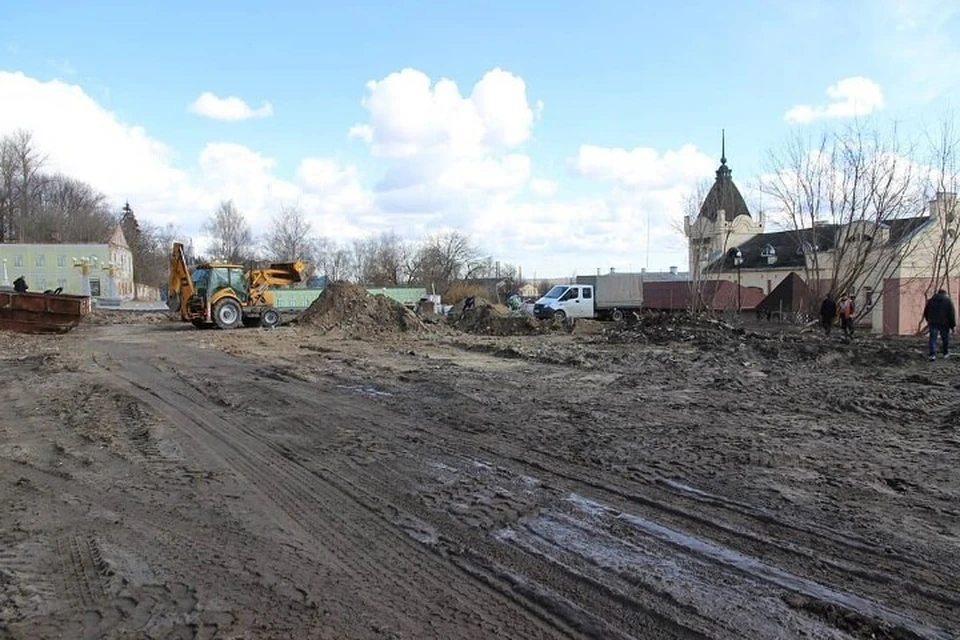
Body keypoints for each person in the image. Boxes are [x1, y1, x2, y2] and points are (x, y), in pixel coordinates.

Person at [923, 289, 956, 361]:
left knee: (933, 339)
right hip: (944, 323)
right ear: (945, 294)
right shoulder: (948, 301)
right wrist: (952, 325)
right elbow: (951, 314)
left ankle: (932, 354)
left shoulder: (931, 301)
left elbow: (926, 312)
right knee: (945, 338)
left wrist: (929, 320)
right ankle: (945, 353)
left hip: (933, 322)